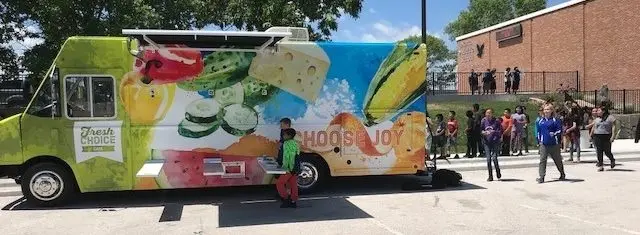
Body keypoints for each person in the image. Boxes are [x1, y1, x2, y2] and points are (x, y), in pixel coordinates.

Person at [536, 103, 566, 183]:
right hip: (544, 144)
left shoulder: (555, 120)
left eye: (548, 109)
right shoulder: (540, 121)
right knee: (542, 160)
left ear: (551, 110)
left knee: (557, 160)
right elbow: (538, 131)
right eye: (545, 109)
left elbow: (560, 130)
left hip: (554, 144)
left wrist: (554, 133)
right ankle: (541, 177)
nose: (546, 111)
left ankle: (562, 173)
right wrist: (539, 140)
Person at [277, 128, 301, 208]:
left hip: (288, 168)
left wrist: (284, 167)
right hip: (295, 168)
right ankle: (293, 201)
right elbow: (297, 156)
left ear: (289, 136)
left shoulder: (286, 144)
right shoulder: (296, 143)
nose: (283, 136)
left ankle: (286, 198)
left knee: (280, 183)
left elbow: (287, 157)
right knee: (293, 184)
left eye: (284, 134)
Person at [592, 105, 617, 171]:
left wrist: (613, 136)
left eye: (599, 110)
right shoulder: (597, 118)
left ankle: (612, 160)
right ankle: (601, 165)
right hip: (597, 136)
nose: (597, 112)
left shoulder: (610, 117)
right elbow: (594, 127)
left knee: (607, 151)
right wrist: (591, 135)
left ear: (603, 111)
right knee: (599, 151)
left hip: (606, 136)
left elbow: (614, 127)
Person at [481, 108, 503, 181]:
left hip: (495, 142)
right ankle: (490, 176)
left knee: (494, 158)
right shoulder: (483, 121)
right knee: (488, 159)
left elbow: (500, 131)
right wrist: (483, 132)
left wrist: (494, 132)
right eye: (487, 113)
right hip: (486, 142)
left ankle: (498, 171)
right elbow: (480, 130)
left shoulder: (496, 121)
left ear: (492, 113)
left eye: (489, 113)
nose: (488, 114)